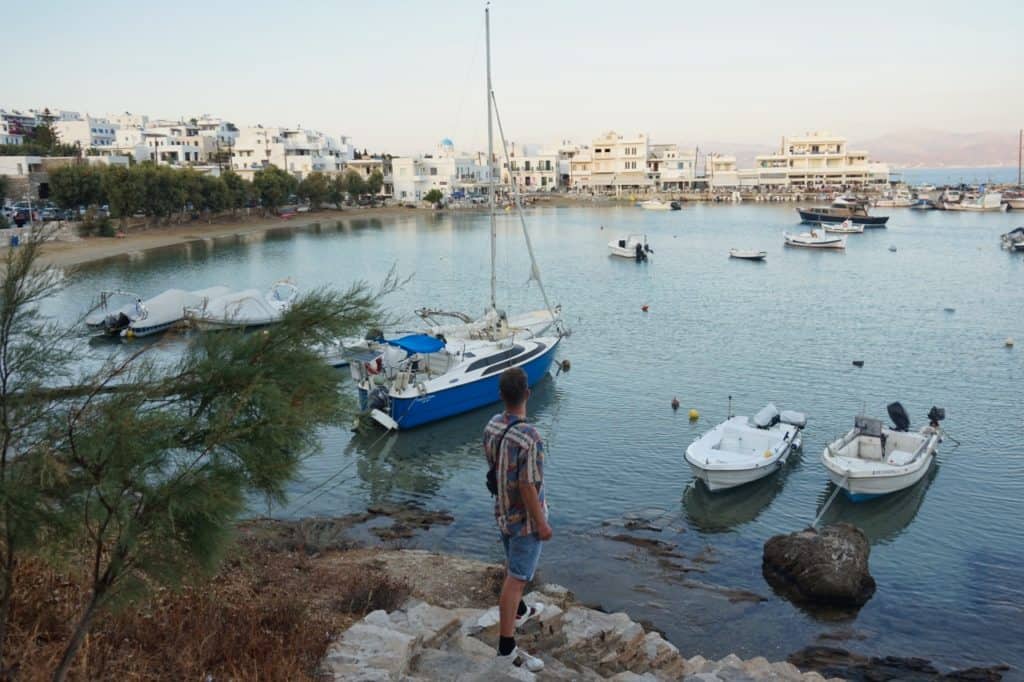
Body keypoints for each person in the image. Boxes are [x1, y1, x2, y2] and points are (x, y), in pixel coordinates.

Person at [483, 367, 552, 673]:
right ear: (528, 393)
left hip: (502, 512)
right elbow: (528, 485)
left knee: (514, 566)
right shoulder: (531, 437)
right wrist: (541, 523)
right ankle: (506, 649)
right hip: (524, 521)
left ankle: (521, 609)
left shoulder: (492, 426)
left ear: (501, 395)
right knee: (517, 579)